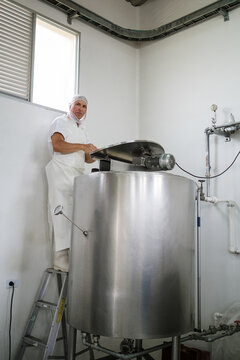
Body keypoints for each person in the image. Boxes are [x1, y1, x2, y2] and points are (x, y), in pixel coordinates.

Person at [46, 95, 97, 272]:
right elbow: (58, 146)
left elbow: (87, 159)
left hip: (77, 176)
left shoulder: (82, 129)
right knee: (61, 215)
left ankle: (71, 257)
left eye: (84, 106)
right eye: (77, 104)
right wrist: (83, 147)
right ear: (70, 106)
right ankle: (59, 261)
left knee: (74, 216)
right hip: (60, 172)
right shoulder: (61, 121)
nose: (80, 108)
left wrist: (96, 153)